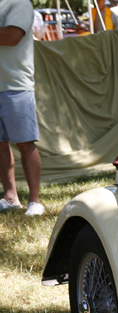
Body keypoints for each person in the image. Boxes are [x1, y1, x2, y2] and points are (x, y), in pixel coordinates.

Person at [0, 0, 42, 215]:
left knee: (25, 143)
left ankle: (35, 201)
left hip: (16, 85)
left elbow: (12, 36)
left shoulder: (19, 3)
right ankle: (10, 198)